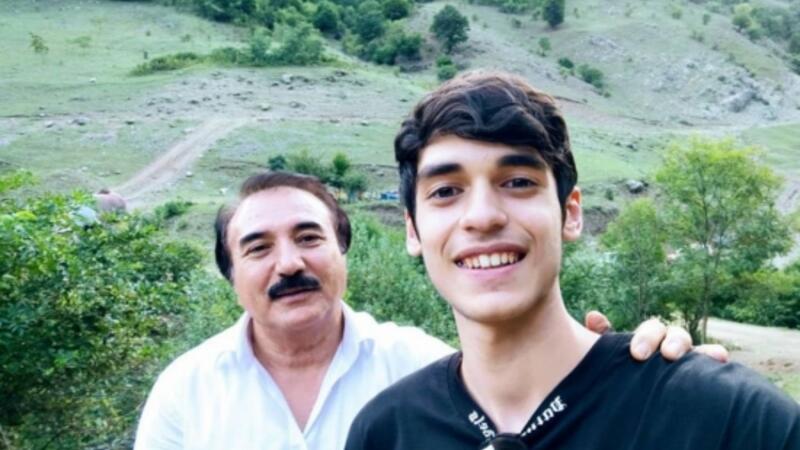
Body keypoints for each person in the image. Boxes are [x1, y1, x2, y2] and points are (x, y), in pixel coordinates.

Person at [344, 71, 800, 450]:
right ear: (412, 230)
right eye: (446, 191)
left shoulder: (726, 417)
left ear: (571, 213)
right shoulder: (386, 432)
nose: (482, 216)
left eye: (518, 182)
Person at [135, 173, 722, 449]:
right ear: (231, 275)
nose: (289, 263)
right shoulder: (185, 391)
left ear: (342, 253)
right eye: (258, 248)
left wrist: (658, 380)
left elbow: (536, 407)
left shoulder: (420, 366)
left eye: (310, 238)